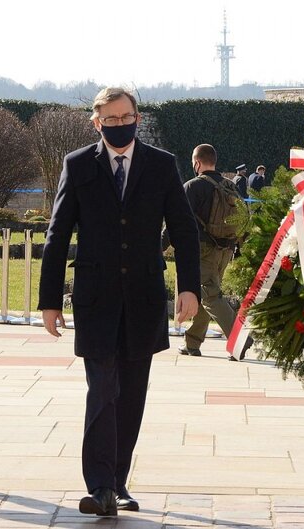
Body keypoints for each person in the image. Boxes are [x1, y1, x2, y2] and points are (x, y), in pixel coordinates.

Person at [38, 87, 200, 517]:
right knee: (102, 390)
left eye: (126, 116)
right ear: (97, 123)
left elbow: (184, 230)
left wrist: (190, 288)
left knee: (131, 395)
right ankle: (101, 485)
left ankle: (119, 481)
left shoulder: (162, 165)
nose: (119, 124)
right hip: (95, 299)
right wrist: (49, 300)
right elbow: (57, 236)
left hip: (145, 298)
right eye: (110, 120)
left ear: (137, 118)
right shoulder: (77, 165)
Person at [176, 145, 250, 361]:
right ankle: (192, 342)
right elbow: (243, 219)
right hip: (226, 250)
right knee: (207, 292)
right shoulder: (231, 186)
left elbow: (178, 222)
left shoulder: (192, 187)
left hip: (203, 250)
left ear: (197, 162)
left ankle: (240, 339)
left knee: (210, 295)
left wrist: (158, 247)